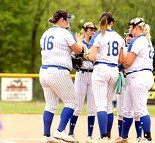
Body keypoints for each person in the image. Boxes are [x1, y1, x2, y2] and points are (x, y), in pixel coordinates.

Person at [39, 9, 83, 143]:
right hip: (58, 71)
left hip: (44, 71)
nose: (68, 21)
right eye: (67, 18)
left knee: (50, 105)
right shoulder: (65, 33)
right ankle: (60, 131)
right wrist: (79, 41)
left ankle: (46, 136)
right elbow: (79, 50)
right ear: (62, 19)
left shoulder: (45, 33)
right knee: (72, 102)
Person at [87, 12, 125, 142]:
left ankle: (103, 137)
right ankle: (108, 136)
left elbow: (91, 57)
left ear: (100, 22)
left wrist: (85, 55)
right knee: (109, 105)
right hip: (114, 69)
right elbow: (121, 59)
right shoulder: (119, 37)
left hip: (100, 69)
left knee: (101, 105)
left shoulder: (98, 36)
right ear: (112, 23)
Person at [116, 18, 154, 143]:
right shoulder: (146, 41)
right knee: (127, 109)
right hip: (139, 76)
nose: (130, 30)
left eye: (131, 28)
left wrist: (118, 66)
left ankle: (147, 138)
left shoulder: (138, 40)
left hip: (139, 76)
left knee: (140, 109)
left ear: (136, 28)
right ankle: (124, 137)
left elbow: (127, 62)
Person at [68, 22, 97, 143]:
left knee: (91, 108)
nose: (93, 31)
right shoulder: (79, 43)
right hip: (81, 74)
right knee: (77, 106)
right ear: (84, 30)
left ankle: (89, 136)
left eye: (94, 30)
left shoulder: (97, 43)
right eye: (90, 29)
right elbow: (73, 56)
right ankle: (70, 133)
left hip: (93, 75)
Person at [114, 30, 143, 143]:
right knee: (121, 110)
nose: (128, 38)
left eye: (129, 36)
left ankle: (139, 136)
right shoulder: (125, 48)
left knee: (137, 111)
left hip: (133, 79)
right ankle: (122, 136)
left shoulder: (136, 48)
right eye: (127, 36)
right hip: (123, 80)